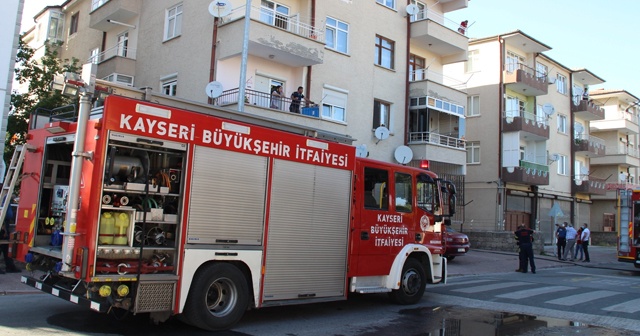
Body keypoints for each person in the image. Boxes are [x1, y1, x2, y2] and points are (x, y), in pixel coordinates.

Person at [0, 199, 20, 274]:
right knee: (3, 246)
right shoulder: (4, 197)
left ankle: (10, 266)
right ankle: (10, 266)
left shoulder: (5, 196)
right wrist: (4, 228)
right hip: (3, 225)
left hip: (4, 225)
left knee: (6, 248)